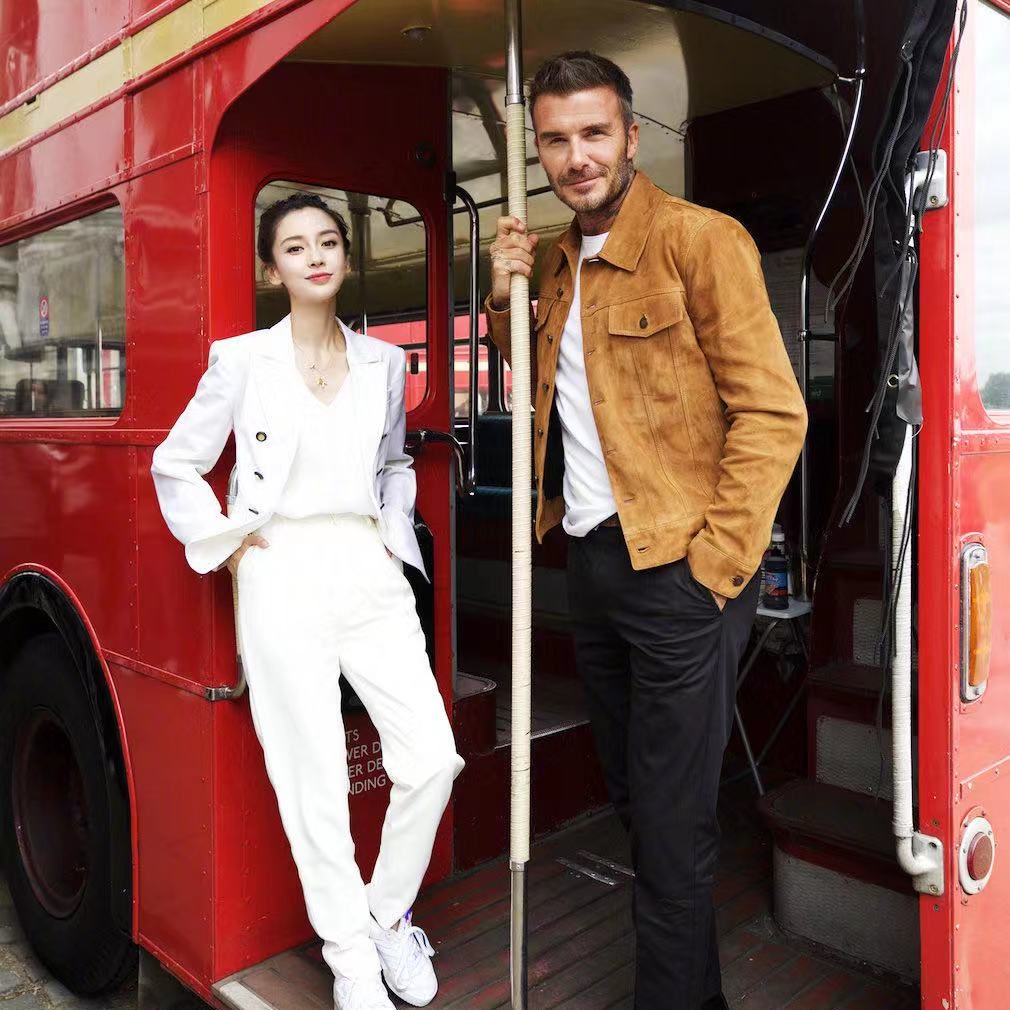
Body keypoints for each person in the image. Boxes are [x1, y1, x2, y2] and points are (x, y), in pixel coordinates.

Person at [486, 52, 807, 1010]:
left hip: (679, 573)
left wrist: (713, 573)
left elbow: (773, 414)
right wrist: (502, 291)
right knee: (637, 803)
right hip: (591, 567)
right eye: (555, 139)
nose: (576, 157)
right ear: (538, 147)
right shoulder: (546, 258)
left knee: (670, 831)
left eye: (594, 133)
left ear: (633, 135)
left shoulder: (700, 241)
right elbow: (544, 394)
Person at [151, 193, 464, 1010]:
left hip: (365, 565)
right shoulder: (241, 361)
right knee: (311, 776)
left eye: (329, 242)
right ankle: (351, 958)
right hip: (281, 568)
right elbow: (175, 463)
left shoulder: (383, 365)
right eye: (296, 247)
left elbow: (394, 463)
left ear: (347, 258)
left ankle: (388, 914)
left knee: (432, 755)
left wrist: (391, 532)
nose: (316, 256)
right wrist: (227, 541)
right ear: (272, 268)